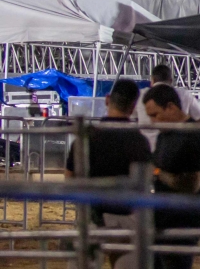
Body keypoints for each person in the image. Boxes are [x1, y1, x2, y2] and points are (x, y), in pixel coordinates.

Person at [66, 79, 151, 269]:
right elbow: (145, 182)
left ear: (107, 99)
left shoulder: (87, 138)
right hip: (127, 216)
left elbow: (70, 179)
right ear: (133, 107)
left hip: (92, 215)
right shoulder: (140, 142)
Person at [143, 85, 200, 269]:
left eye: (155, 115)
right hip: (163, 219)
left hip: (182, 222)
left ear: (171, 107)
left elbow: (192, 184)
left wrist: (156, 173)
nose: (152, 121)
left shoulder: (194, 136)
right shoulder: (165, 135)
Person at [135, 65, 200, 146]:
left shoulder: (140, 95)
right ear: (170, 80)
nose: (153, 121)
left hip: (147, 150)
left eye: (155, 115)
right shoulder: (184, 94)